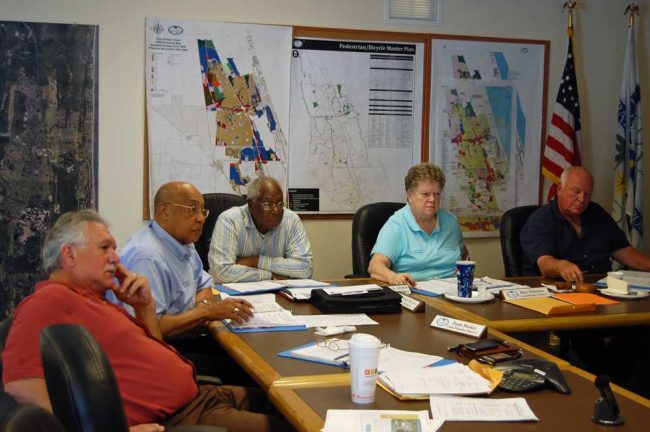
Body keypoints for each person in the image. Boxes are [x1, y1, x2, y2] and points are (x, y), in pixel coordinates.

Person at [2, 210, 289, 432]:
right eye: (105, 248)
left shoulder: (93, 299)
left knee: (286, 401)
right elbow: (21, 387)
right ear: (69, 255)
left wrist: (145, 307)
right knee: (295, 426)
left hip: (199, 397)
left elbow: (155, 349)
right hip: (180, 418)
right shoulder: (48, 302)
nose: (116, 257)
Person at [107, 181, 254, 378]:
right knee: (244, 369)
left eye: (203, 211)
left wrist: (200, 308)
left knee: (245, 352)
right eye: (192, 210)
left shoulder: (182, 241)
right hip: (158, 352)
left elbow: (204, 284)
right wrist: (205, 313)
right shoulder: (148, 257)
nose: (201, 219)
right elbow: (152, 328)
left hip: (188, 334)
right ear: (164, 211)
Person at [520, 166, 650, 282]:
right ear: (560, 189)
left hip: (602, 288)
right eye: (576, 192)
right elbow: (544, 264)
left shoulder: (596, 213)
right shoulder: (541, 220)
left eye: (587, 194)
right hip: (558, 290)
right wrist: (561, 266)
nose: (582, 199)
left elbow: (622, 250)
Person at [368, 162, 465, 287]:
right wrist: (393, 277)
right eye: (425, 194)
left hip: (452, 292)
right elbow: (375, 266)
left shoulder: (450, 221)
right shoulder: (397, 225)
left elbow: (464, 258)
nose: (432, 200)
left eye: (437, 194)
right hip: (415, 293)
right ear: (409, 196)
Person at [209, 176, 313, 283]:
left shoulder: (291, 220)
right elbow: (220, 273)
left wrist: (257, 261)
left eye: (280, 204)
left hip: (279, 294)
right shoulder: (230, 220)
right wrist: (271, 275)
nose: (276, 211)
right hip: (236, 297)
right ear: (251, 205)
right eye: (268, 205)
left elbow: (306, 268)